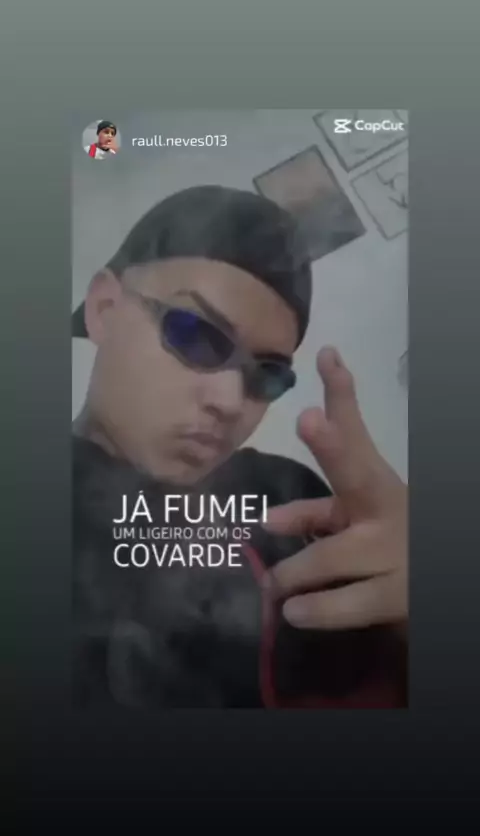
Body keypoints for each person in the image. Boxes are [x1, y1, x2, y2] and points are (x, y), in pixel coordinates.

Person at [72, 185, 408, 708]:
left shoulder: (292, 502)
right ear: (104, 307)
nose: (230, 401)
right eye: (195, 335)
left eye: (267, 376)